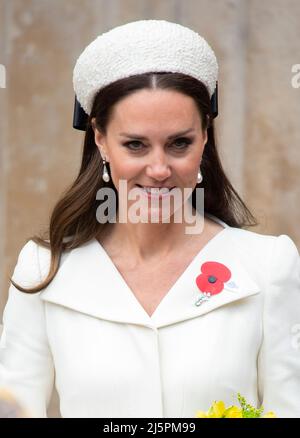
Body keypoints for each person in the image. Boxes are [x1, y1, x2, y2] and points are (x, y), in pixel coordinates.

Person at [0, 19, 299, 418]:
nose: (158, 169)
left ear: (205, 138)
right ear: (101, 140)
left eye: (179, 143)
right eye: (135, 145)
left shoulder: (268, 266)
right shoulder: (45, 268)